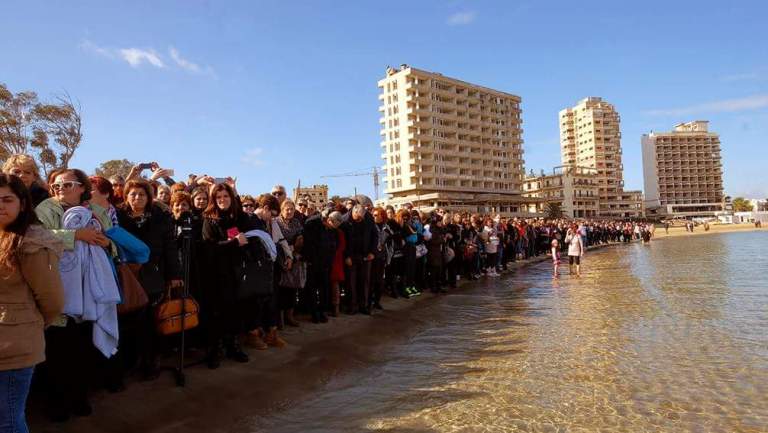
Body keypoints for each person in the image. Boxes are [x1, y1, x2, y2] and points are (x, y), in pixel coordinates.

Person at [35, 169, 113, 421]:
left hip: (89, 290)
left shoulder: (97, 210)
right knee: (57, 350)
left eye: (67, 184)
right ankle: (57, 404)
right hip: (59, 291)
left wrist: (107, 244)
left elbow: (111, 238)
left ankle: (80, 397)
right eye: (56, 186)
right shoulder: (45, 208)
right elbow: (37, 237)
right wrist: (75, 235)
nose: (60, 189)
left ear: (82, 187)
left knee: (83, 348)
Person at [0, 173, 64, 433]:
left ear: (22, 204)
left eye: (7, 200)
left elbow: (52, 300)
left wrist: (28, 324)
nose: (0, 206)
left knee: (8, 421)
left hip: (14, 348)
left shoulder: (32, 241)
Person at [117, 180, 182, 379]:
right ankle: (130, 362)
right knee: (129, 321)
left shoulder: (160, 218)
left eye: (142, 194)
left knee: (151, 321)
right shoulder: (117, 217)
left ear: (149, 197)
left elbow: (170, 248)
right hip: (127, 276)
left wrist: (174, 275)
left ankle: (152, 361)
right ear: (126, 196)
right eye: (133, 194)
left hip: (154, 275)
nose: (137, 198)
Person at [200, 183, 252, 368]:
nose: (222, 200)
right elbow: (209, 248)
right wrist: (233, 243)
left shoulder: (239, 218)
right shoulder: (209, 220)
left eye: (226, 196)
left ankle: (233, 346)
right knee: (216, 314)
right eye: (218, 197)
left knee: (235, 312)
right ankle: (214, 350)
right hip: (215, 275)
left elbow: (249, 238)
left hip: (236, 273)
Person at [342, 204, 378, 315]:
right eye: (357, 218)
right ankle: (352, 306)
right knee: (351, 283)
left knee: (364, 282)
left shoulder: (368, 219)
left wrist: (372, 252)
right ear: (353, 212)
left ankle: (364, 306)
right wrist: (346, 256)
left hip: (366, 256)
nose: (360, 220)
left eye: (362, 218)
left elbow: (375, 236)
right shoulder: (344, 221)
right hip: (351, 256)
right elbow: (342, 241)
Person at [275, 199, 304, 327]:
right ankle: (280, 319)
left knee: (292, 288)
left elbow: (300, 238)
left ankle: (290, 316)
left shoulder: (296, 222)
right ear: (282, 210)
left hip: (294, 257)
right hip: (280, 258)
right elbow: (276, 241)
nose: (290, 211)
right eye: (287, 209)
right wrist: (287, 252)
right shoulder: (276, 222)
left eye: (292, 209)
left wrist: (295, 251)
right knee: (281, 289)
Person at [370, 207, 393, 309]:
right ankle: (369, 302)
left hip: (382, 257)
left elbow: (390, 243)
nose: (374, 217)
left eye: (376, 215)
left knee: (379, 281)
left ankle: (377, 302)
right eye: (373, 215)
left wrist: (388, 257)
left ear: (382, 216)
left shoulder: (386, 227)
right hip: (372, 257)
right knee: (371, 281)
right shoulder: (371, 226)